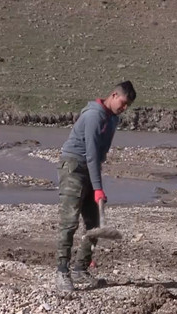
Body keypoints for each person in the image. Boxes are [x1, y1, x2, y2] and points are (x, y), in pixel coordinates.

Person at [55, 81, 136, 291]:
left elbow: (99, 155)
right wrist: (98, 187)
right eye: (123, 103)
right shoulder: (93, 116)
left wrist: (96, 184)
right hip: (73, 167)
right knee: (69, 221)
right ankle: (62, 272)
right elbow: (90, 153)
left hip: (90, 168)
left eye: (128, 106)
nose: (124, 108)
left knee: (94, 224)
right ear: (114, 95)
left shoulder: (112, 119)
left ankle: (80, 269)